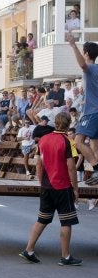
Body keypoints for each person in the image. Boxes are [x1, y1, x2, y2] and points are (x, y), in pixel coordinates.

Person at [19, 112, 82, 266]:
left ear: (55, 123)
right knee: (66, 221)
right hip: (62, 186)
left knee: (42, 219)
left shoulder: (44, 139)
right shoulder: (67, 141)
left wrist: (42, 182)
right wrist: (75, 189)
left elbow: (38, 163)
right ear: (68, 125)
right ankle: (65, 256)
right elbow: (71, 167)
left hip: (47, 186)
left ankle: (29, 249)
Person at [67, 34, 98, 185]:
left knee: (78, 142)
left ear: (86, 53)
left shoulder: (90, 68)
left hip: (91, 112)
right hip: (95, 112)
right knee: (95, 146)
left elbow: (83, 65)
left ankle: (97, 169)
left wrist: (73, 45)